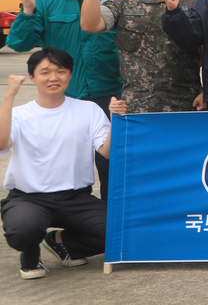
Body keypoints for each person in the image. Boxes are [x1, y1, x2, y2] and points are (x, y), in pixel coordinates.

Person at [8, 0, 125, 198]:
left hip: (110, 94)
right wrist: (27, 9)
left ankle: (107, 231)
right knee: (62, 168)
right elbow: (19, 43)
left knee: (114, 166)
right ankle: (64, 228)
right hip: (63, 97)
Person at [1, 49, 126, 279]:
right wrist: (9, 95)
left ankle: (62, 242)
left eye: (61, 71)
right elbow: (1, 144)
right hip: (29, 197)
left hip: (75, 198)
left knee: (122, 231)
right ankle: (30, 249)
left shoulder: (88, 110)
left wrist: (116, 119)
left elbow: (107, 152)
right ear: (32, 77)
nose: (53, 78)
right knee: (22, 230)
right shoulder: (19, 114)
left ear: (70, 75)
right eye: (45, 72)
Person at [79, 0, 202, 113]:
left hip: (186, 105)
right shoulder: (123, 2)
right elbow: (90, 24)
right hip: (136, 106)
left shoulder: (198, 4)